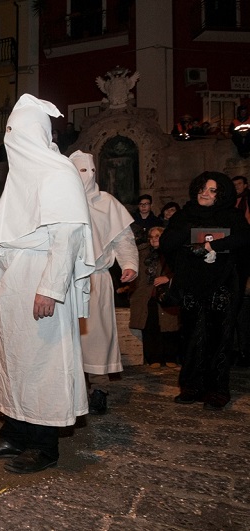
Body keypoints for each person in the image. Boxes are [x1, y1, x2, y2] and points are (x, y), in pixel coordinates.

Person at [0, 94, 95, 474]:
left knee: (43, 363)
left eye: (17, 134)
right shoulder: (19, 180)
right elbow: (6, 234)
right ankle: (14, 435)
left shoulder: (58, 172)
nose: (12, 142)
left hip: (40, 278)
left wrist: (51, 288)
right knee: (13, 361)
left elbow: (68, 234)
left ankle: (44, 446)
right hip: (12, 281)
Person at [159, 171, 250, 410]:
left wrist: (212, 244)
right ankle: (191, 387)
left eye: (211, 190)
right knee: (190, 336)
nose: (204, 193)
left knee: (219, 338)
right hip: (191, 285)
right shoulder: (184, 215)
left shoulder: (232, 216)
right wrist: (190, 231)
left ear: (221, 194)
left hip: (222, 285)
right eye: (202, 188)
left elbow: (245, 239)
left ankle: (217, 390)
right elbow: (166, 243)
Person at [69, 151, 139, 415]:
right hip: (65, 280)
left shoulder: (107, 202)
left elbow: (123, 238)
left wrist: (130, 264)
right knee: (68, 338)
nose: (87, 176)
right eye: (81, 171)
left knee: (97, 337)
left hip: (96, 279)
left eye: (91, 171)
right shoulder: (59, 200)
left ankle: (99, 389)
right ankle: (71, 388)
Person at [128, 226, 180, 368]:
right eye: (151, 236)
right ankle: (154, 358)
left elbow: (182, 270)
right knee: (150, 327)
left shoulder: (174, 251)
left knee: (170, 326)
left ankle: (170, 357)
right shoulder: (142, 253)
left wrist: (168, 278)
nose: (154, 238)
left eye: (158, 235)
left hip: (168, 294)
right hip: (147, 295)